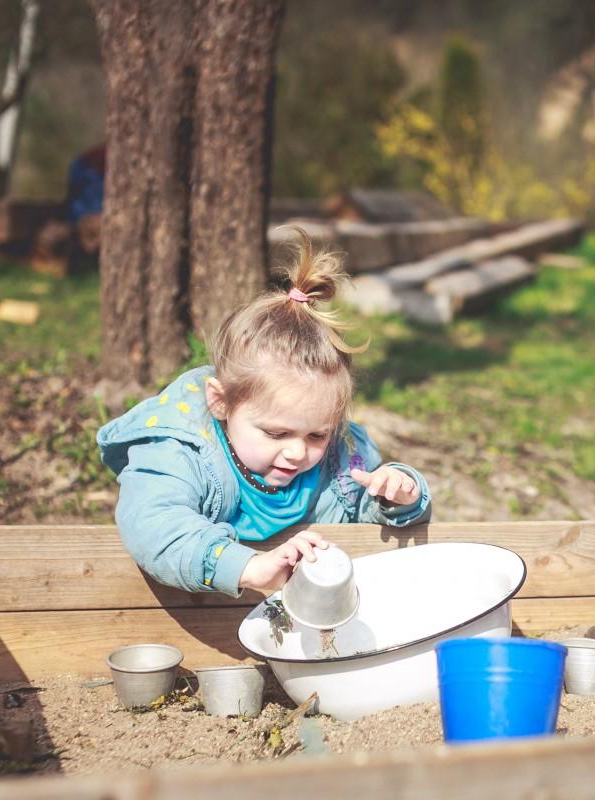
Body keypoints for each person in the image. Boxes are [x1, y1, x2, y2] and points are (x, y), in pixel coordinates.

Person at [97, 231, 431, 597]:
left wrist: (395, 496)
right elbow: (153, 522)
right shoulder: (179, 450)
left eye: (317, 435)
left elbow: (363, 513)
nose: (298, 452)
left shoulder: (340, 456)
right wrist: (247, 567)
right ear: (220, 402)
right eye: (276, 434)